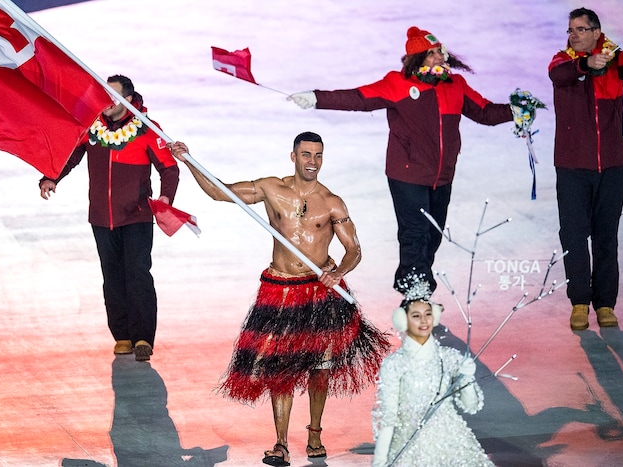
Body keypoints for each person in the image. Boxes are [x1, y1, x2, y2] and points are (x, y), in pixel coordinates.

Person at [168, 132, 390, 466]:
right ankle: (281, 443)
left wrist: (337, 271)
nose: (312, 162)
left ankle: (315, 432)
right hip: (282, 288)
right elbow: (219, 192)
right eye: (306, 155)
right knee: (280, 368)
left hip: (320, 290)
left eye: (318, 156)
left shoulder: (332, 203)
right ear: (293, 156)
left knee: (320, 367)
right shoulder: (272, 189)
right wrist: (186, 160)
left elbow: (354, 250)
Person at [288, 26, 519, 297]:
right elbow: (358, 98)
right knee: (415, 234)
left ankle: (411, 283)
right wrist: (317, 98)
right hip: (407, 175)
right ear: (416, 59)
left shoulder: (455, 85)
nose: (439, 58)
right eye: (431, 54)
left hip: (442, 176)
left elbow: (485, 112)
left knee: (432, 236)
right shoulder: (398, 84)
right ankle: (416, 294)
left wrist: (516, 110)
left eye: (439, 52)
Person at [39, 74, 179, 361]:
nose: (105, 102)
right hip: (101, 217)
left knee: (137, 274)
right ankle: (122, 336)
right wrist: (52, 177)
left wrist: (166, 197)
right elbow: (71, 154)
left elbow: (169, 168)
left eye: (112, 96)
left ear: (128, 100)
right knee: (112, 277)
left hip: (137, 215)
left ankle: (143, 337)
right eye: (103, 95)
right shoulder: (92, 128)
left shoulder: (148, 130)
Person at [548, 8, 623, 331]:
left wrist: (617, 54)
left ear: (596, 32)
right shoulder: (562, 61)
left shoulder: (615, 59)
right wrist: (585, 64)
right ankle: (579, 302)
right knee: (574, 236)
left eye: (580, 29)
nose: (573, 34)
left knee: (607, 238)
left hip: (613, 167)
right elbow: (558, 75)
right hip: (572, 168)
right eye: (570, 29)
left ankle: (605, 304)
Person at [372, 272, 493, 466]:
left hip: (452, 442)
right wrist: (379, 460)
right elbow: (388, 418)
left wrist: (467, 378)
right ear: (403, 320)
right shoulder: (394, 364)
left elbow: (471, 407)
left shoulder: (449, 357)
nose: (424, 321)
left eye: (428, 314)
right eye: (416, 316)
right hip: (408, 445)